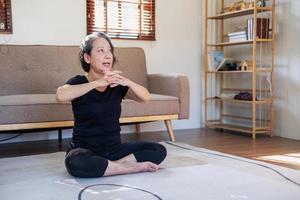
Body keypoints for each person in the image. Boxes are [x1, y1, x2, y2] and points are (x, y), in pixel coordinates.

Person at [56, 32, 167, 178]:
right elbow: (61, 95)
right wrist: (97, 83)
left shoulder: (116, 85)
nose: (108, 55)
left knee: (158, 150)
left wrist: (128, 82)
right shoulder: (79, 82)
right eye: (101, 51)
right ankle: (128, 168)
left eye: (109, 51)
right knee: (75, 161)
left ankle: (112, 166)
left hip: (114, 149)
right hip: (85, 149)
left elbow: (145, 97)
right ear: (87, 57)